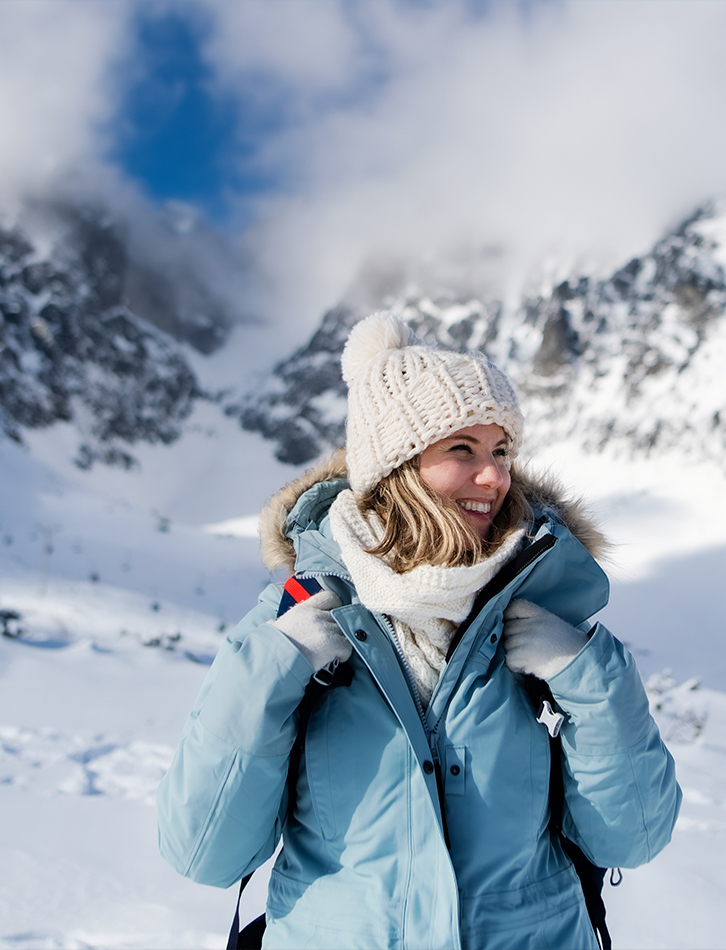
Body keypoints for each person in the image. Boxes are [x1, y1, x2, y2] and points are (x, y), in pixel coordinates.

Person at [157, 311, 681, 950]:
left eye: (500, 451)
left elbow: (633, 838)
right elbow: (205, 852)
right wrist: (275, 664)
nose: (493, 477)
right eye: (462, 450)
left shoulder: (547, 610)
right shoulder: (296, 616)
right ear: (394, 468)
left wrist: (591, 678)